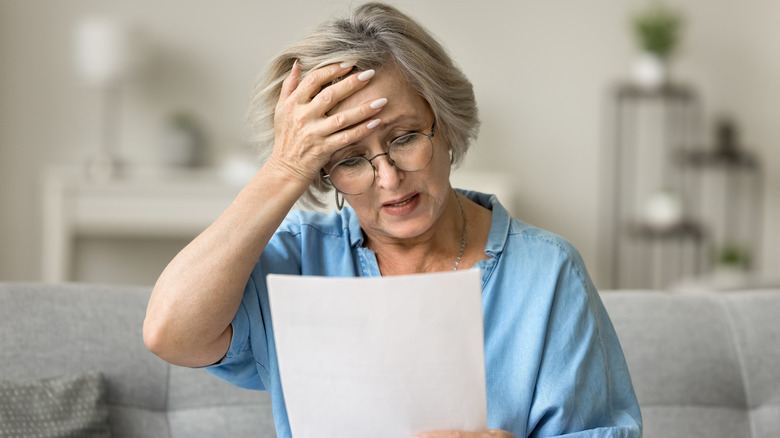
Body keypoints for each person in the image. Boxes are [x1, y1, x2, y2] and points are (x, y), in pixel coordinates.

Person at [143, 2, 642, 437]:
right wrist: (284, 167)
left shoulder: (547, 273)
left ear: (445, 126)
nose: (388, 180)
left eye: (404, 138)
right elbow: (170, 333)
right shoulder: (298, 261)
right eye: (350, 160)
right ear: (324, 172)